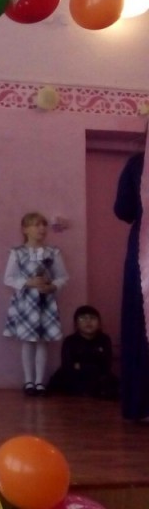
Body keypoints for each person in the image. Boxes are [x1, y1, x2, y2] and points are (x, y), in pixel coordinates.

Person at [3, 212, 69, 397]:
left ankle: (40, 382)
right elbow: (8, 278)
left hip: (45, 301)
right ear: (25, 229)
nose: (41, 229)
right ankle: (29, 381)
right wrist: (27, 282)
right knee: (28, 340)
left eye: (43, 225)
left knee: (42, 341)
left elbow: (63, 276)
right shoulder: (17, 252)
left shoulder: (52, 252)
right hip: (26, 302)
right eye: (36, 225)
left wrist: (52, 286)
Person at [114, 152, 149, 421]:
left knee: (140, 322)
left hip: (143, 250)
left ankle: (141, 404)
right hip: (143, 250)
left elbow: (123, 209)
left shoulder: (138, 162)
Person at [47, 305, 120, 399]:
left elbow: (106, 365)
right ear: (76, 324)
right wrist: (91, 364)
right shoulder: (70, 341)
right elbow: (67, 365)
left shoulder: (104, 339)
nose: (88, 321)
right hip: (74, 377)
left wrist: (80, 365)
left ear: (99, 323)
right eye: (83, 318)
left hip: (98, 377)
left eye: (92, 318)